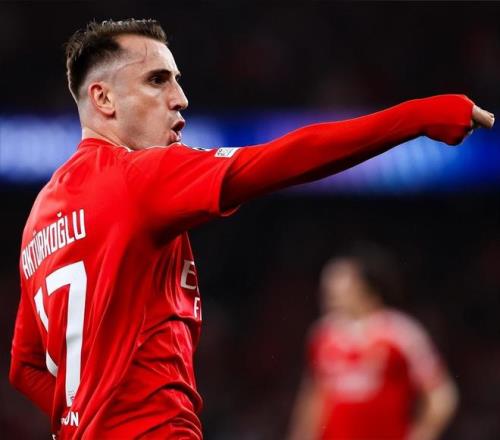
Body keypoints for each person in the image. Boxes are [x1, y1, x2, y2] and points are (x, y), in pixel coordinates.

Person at [8, 18, 493, 439]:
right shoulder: (137, 177)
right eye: (157, 80)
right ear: (103, 98)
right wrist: (416, 117)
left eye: (176, 80)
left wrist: (87, 424)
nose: (181, 99)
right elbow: (284, 158)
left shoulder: (40, 219)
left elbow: (25, 368)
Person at [288, 246, 459, 440]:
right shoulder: (323, 334)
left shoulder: (402, 332)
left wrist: (422, 434)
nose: (330, 295)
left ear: (367, 287)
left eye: (340, 288)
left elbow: (442, 395)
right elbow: (314, 397)